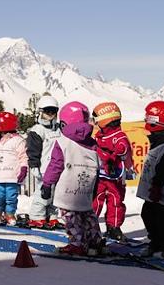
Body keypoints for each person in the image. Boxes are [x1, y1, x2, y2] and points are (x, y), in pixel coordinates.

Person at [41, 101, 104, 256]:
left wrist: (47, 183)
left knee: (71, 217)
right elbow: (98, 165)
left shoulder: (62, 142)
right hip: (87, 187)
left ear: (63, 123)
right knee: (88, 215)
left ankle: (77, 244)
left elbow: (56, 165)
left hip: (68, 189)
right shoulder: (93, 144)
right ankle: (95, 241)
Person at [137, 101, 164, 258]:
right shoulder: (159, 142)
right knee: (147, 214)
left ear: (156, 120)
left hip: (163, 193)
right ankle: (156, 243)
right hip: (153, 193)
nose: (146, 121)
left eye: (148, 118)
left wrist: (156, 187)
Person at [91, 101, 134, 242]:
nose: (96, 124)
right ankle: (90, 225)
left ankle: (113, 227)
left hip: (115, 177)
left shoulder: (119, 136)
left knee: (115, 201)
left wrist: (113, 155)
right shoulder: (99, 136)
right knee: (96, 200)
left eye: (97, 120)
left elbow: (123, 148)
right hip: (101, 176)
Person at [0, 112, 28, 226]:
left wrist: (23, 168)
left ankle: (9, 214)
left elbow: (23, 156)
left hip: (12, 177)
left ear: (2, 126)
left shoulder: (18, 141)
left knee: (11, 197)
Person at [26, 95, 62, 229]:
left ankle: (52, 216)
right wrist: (34, 165)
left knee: (56, 195)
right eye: (47, 111)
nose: (50, 115)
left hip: (58, 168)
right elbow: (33, 150)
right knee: (43, 194)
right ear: (40, 112)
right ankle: (37, 216)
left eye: (53, 111)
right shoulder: (37, 130)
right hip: (44, 168)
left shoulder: (59, 129)